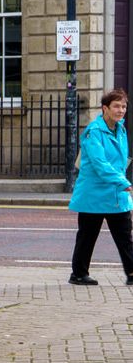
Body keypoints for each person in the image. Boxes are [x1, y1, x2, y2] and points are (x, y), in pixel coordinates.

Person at [68, 87, 133, 285]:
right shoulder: (93, 132)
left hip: (115, 192)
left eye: (123, 106)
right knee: (87, 237)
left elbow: (120, 162)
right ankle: (78, 274)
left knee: (124, 235)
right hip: (93, 194)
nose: (121, 110)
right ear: (105, 108)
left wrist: (121, 182)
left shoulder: (120, 129)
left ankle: (132, 273)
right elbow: (100, 164)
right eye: (116, 106)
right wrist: (124, 182)